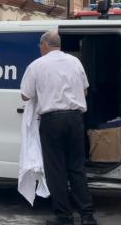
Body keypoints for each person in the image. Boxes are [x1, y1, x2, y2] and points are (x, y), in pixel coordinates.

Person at [20, 31, 97, 225]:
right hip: (75, 119)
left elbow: (25, 96)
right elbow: (85, 90)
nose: (39, 48)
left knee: (56, 171)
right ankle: (87, 216)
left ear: (45, 45)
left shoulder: (36, 65)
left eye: (40, 45)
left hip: (52, 121)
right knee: (77, 169)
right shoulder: (75, 62)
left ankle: (64, 217)